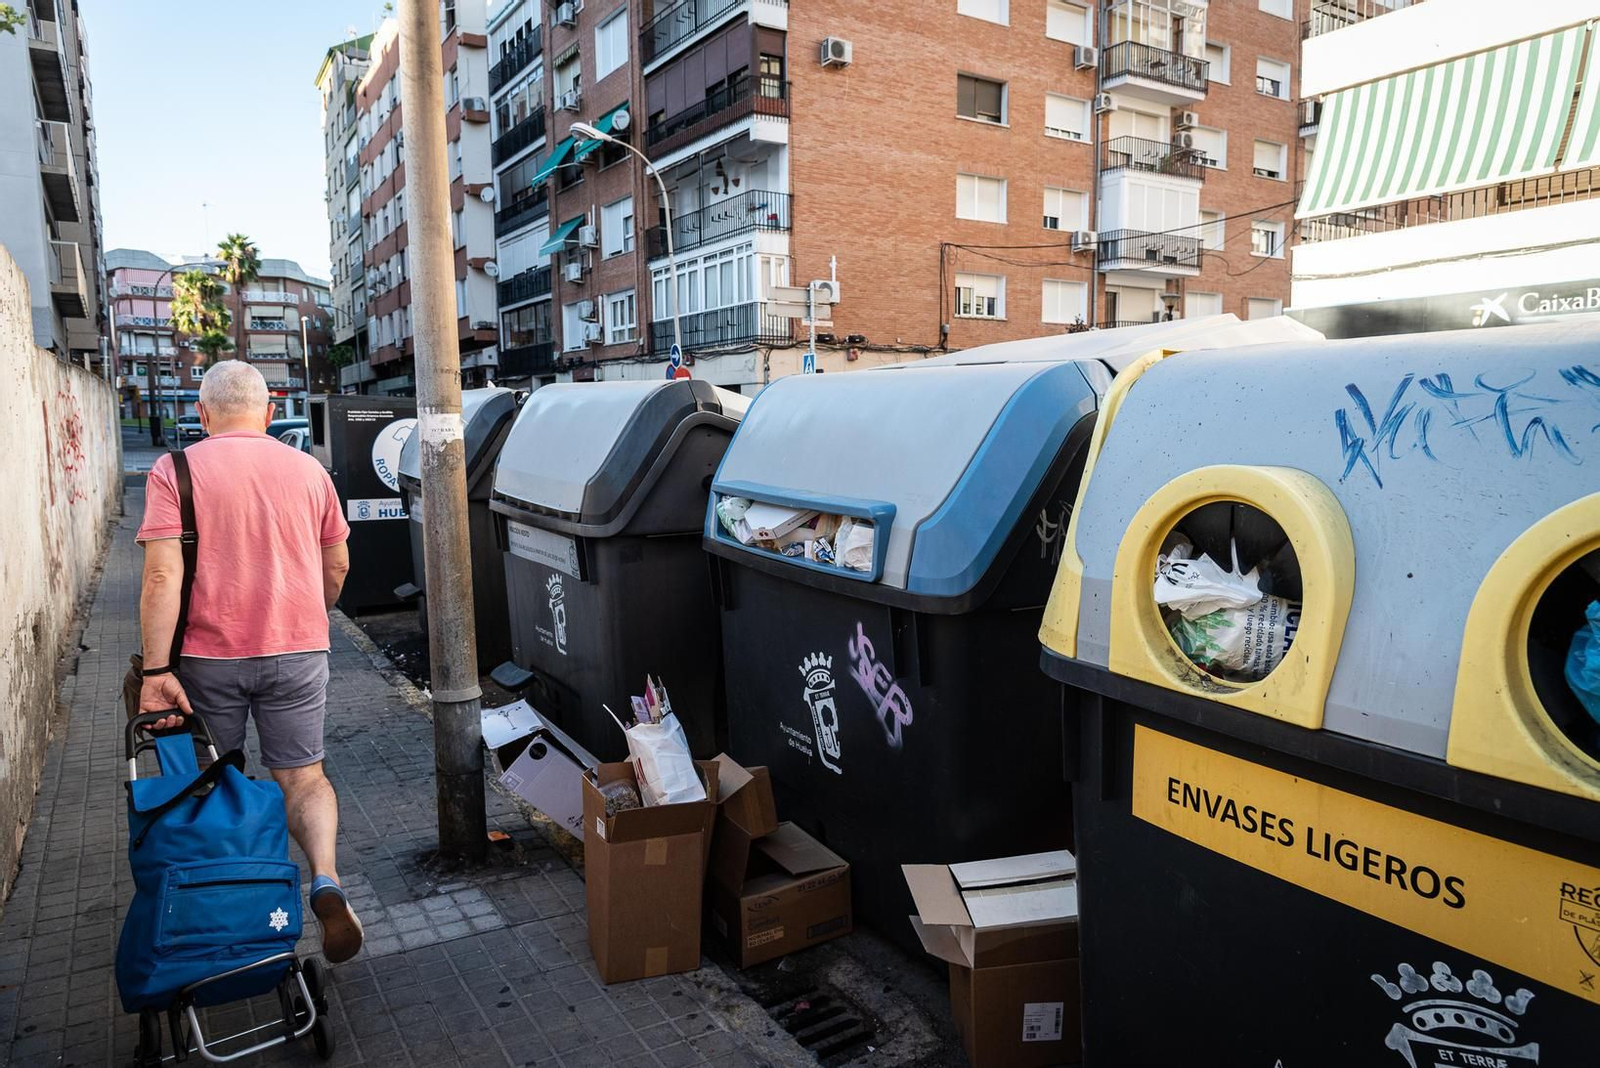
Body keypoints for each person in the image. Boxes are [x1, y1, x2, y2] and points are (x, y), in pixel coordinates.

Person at [135, 360, 362, 964]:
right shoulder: (309, 470)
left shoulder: (174, 470)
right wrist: (311, 616)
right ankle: (326, 879)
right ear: (267, 413)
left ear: (203, 414)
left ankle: (234, 905)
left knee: (217, 782)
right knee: (304, 776)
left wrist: (157, 674)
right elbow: (336, 565)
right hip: (299, 650)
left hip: (209, 659)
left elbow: (162, 574)